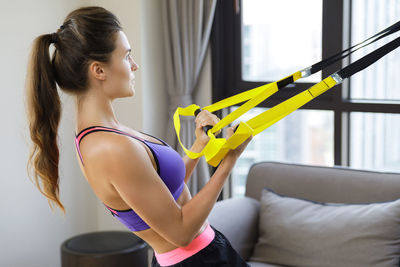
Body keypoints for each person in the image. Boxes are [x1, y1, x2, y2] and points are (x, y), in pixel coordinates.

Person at [25, 6, 252, 267]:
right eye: (126, 56)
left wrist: (199, 146)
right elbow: (180, 232)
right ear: (99, 70)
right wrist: (229, 161)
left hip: (207, 252)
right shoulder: (109, 148)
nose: (134, 65)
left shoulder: (109, 133)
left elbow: (162, 190)